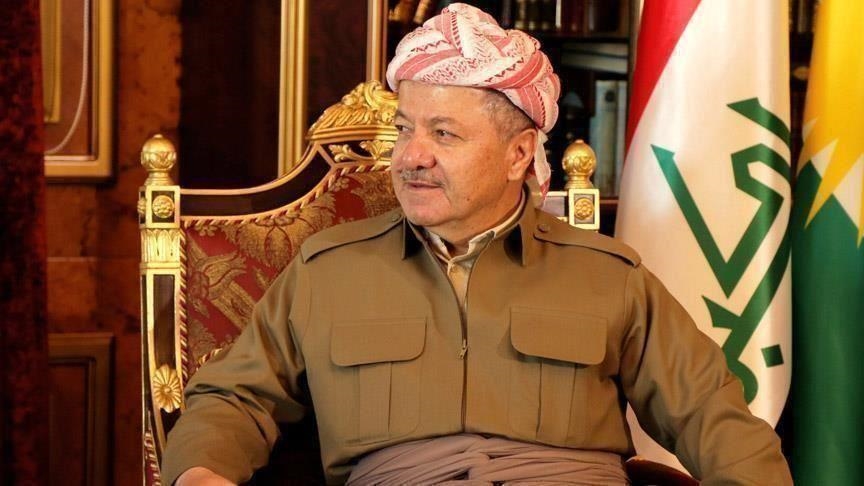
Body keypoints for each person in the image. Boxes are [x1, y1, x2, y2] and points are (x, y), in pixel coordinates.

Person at [163, 4, 792, 485]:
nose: (411, 156)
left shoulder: (610, 276)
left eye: (444, 134)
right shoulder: (328, 269)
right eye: (405, 129)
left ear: (519, 154)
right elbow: (234, 397)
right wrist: (201, 472)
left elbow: (712, 415)